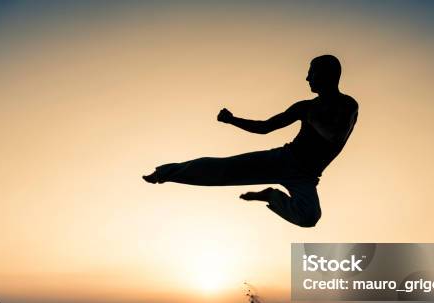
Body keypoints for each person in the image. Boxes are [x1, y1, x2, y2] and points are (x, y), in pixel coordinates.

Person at [143, 55, 358, 227]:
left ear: (327, 74)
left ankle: (270, 196)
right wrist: (232, 120)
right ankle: (164, 173)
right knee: (223, 169)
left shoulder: (347, 105)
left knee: (309, 217)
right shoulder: (304, 106)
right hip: (284, 159)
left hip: (307, 176)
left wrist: (310, 115)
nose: (307, 77)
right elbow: (264, 127)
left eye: (311, 72)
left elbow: (334, 134)